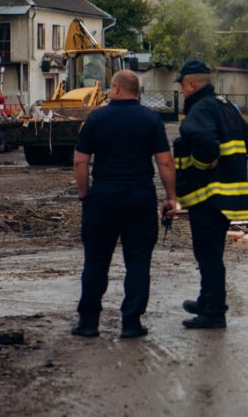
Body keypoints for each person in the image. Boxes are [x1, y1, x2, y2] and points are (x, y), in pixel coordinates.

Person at [71, 70, 177, 339]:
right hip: (140, 197)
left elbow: (80, 162)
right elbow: (164, 161)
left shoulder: (96, 118)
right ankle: (131, 322)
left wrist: (85, 195)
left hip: (103, 198)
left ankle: (88, 322)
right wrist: (170, 197)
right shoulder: (151, 120)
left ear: (116, 89)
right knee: (138, 262)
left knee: (95, 261)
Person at [173, 60, 248, 329]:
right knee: (212, 253)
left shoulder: (200, 110)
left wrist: (203, 166)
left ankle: (213, 313)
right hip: (227, 197)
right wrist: (232, 167)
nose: (183, 92)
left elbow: (207, 145)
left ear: (192, 84)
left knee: (208, 255)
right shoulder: (227, 107)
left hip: (207, 197)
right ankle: (206, 300)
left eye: (184, 87)